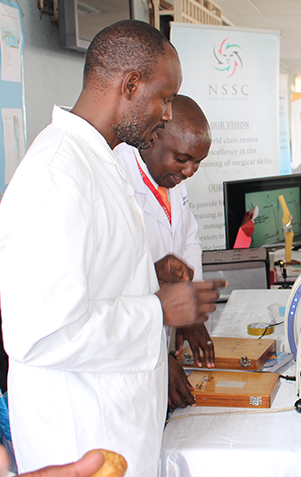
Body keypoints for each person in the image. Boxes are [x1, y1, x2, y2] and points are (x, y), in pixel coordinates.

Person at [0, 20, 226, 476]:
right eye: (164, 99)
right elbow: (42, 334)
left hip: (120, 421)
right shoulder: (55, 175)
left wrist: (149, 276)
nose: (167, 114)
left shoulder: (98, 162)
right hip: (82, 438)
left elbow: (92, 281)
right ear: (131, 85)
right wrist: (158, 310)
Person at [114, 94, 217, 409]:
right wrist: (160, 358)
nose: (190, 171)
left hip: (159, 332)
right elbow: (111, 286)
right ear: (152, 137)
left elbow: (188, 239)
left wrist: (191, 311)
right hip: (126, 354)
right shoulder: (117, 178)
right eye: (183, 158)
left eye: (198, 162)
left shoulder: (171, 178)